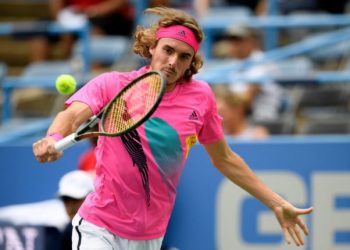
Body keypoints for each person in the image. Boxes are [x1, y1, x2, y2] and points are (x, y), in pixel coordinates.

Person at [33, 7, 313, 250]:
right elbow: (71, 116)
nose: (172, 62)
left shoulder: (201, 97)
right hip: (100, 226)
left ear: (192, 62)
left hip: (150, 236)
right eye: (168, 50)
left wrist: (276, 202)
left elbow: (225, 158)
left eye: (184, 56)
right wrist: (53, 138)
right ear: (152, 47)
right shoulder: (113, 84)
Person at [217, 25, 287, 121]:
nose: (234, 45)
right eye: (231, 41)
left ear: (253, 42)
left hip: (263, 120)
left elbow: (246, 99)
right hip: (243, 118)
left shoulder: (262, 62)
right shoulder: (234, 63)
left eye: (239, 40)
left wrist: (223, 101)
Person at [30, 0, 134, 62]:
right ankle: (36, 85)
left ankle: (90, 77)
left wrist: (94, 11)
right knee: (40, 32)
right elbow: (56, 5)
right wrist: (62, 20)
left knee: (94, 32)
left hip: (106, 17)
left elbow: (121, 2)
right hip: (74, 16)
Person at [58, 170, 94, 250]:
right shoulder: (68, 232)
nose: (71, 206)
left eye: (76, 199)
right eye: (66, 199)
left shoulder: (111, 228)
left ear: (93, 198)